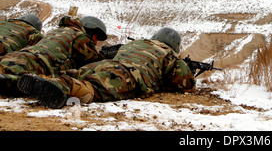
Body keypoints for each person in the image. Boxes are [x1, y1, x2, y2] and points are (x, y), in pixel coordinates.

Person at [18, 27, 196, 109]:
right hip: (129, 76)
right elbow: (185, 83)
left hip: (105, 65)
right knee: (94, 88)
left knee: (75, 73)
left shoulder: (138, 43)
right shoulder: (169, 54)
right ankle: (62, 88)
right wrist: (188, 68)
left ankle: (47, 81)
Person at [0, 15, 107, 95]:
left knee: (5, 69)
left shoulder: (58, 30)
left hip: (17, 56)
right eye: (96, 38)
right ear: (91, 32)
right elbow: (94, 63)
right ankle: (8, 80)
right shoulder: (81, 38)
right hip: (40, 64)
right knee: (20, 83)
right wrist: (107, 56)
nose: (96, 43)